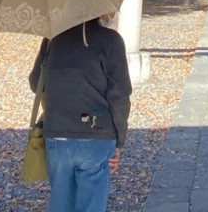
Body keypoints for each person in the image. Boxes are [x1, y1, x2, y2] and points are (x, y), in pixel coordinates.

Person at [28, 17, 132, 212]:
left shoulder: (52, 39)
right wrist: (119, 141)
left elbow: (36, 83)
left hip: (57, 130)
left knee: (60, 203)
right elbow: (120, 94)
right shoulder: (110, 40)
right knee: (91, 205)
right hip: (97, 134)